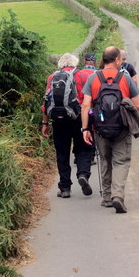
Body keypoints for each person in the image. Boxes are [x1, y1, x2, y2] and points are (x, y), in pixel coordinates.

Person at [81, 46, 139, 213]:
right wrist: (135, 121)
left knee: (105, 160)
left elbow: (86, 105)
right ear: (116, 60)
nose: (121, 62)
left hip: (99, 128)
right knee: (121, 162)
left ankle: (107, 197)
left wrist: (85, 128)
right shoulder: (125, 77)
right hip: (122, 127)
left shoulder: (93, 78)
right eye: (120, 59)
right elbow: (136, 105)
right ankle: (118, 196)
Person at [42, 53, 93, 199]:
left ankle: (65, 188)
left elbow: (46, 102)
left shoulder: (52, 78)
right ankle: (83, 174)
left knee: (62, 153)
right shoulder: (83, 76)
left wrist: (45, 123)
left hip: (59, 120)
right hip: (79, 118)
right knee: (84, 148)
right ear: (75, 63)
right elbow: (88, 101)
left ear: (60, 64)